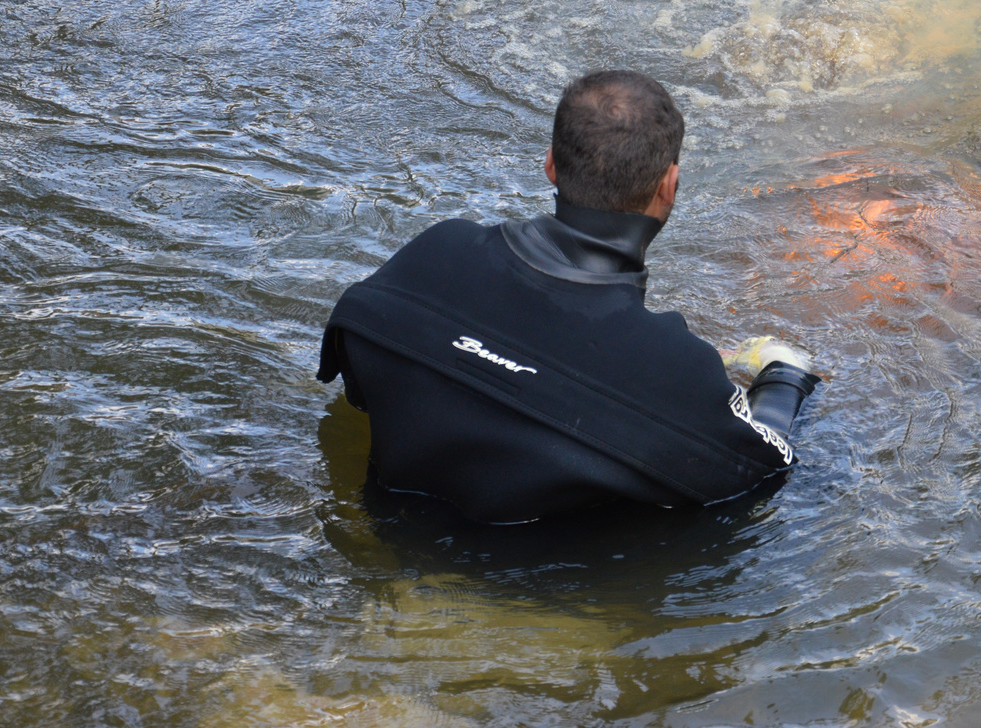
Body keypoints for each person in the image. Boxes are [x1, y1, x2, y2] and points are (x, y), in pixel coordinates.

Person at [316, 69, 820, 523]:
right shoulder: (675, 367)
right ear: (670, 184)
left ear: (551, 165)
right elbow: (764, 466)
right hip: (533, 597)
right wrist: (784, 373)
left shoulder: (432, 254)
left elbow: (359, 380)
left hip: (389, 528)